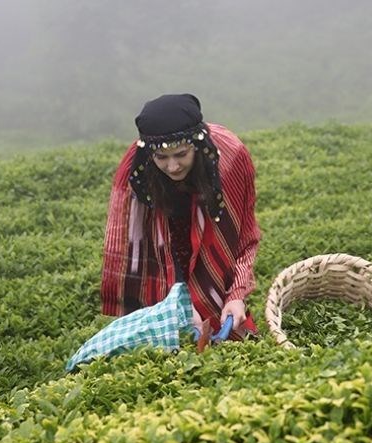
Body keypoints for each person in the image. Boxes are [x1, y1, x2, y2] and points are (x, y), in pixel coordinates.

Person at [100, 94, 260, 340]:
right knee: (170, 341)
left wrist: (236, 294)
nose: (173, 166)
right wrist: (177, 305)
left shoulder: (229, 161)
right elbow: (142, 253)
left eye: (181, 154)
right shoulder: (137, 175)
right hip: (170, 244)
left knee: (228, 334)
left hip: (207, 235)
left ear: (197, 145)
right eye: (161, 158)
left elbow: (243, 237)